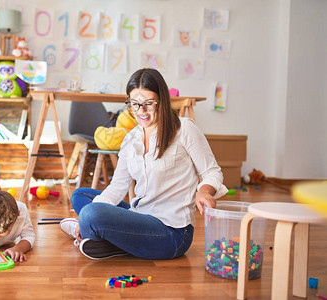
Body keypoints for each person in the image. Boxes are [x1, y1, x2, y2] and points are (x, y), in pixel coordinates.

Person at [60, 68, 228, 260]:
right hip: (139, 217)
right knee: (81, 196)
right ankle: (106, 235)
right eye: (135, 104)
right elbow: (117, 187)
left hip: (171, 233)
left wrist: (204, 191)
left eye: (148, 104)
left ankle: (95, 232)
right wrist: (95, 214)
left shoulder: (185, 129)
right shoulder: (130, 140)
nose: (142, 112)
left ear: (162, 101)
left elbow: (212, 172)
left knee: (91, 214)